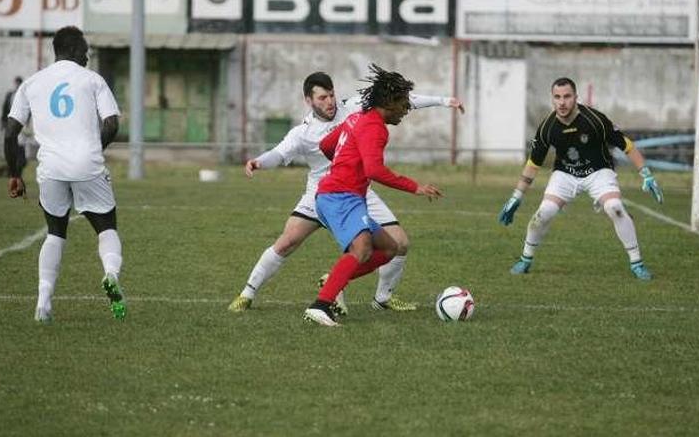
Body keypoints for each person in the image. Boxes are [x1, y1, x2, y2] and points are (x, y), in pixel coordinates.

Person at [228, 71, 463, 314]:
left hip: (359, 190)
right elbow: (279, 153)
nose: (329, 102)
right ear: (308, 101)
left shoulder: (353, 108)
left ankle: (382, 297)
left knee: (399, 243)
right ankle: (247, 293)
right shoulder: (302, 132)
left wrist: (444, 101)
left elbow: (400, 99)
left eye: (331, 95)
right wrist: (260, 162)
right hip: (322, 192)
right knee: (287, 242)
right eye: (321, 98)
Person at [304, 63, 443, 327]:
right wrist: (415, 186)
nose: (406, 110)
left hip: (340, 195)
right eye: (403, 104)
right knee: (362, 248)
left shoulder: (356, 118)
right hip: (340, 196)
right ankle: (320, 305)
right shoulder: (376, 128)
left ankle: (334, 280)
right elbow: (375, 170)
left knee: (390, 247)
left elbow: (326, 145)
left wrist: (344, 163)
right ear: (389, 103)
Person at [4, 26, 126, 324]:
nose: (88, 55)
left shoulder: (31, 84)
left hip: (51, 168)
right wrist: (94, 149)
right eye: (85, 50)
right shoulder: (93, 80)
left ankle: (43, 302)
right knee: (106, 228)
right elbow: (112, 123)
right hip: (88, 165)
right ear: (73, 50)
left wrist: (14, 174)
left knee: (55, 233)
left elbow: (10, 133)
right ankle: (110, 275)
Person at [498, 77, 663, 280]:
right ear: (552, 99)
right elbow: (533, 164)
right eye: (557, 97)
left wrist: (645, 174)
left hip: (598, 171)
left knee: (614, 207)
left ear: (576, 97)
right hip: (565, 174)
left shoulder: (595, 120)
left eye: (567, 96)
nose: (562, 102)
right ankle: (525, 259)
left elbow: (626, 145)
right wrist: (517, 196)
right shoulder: (547, 128)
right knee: (544, 212)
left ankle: (637, 263)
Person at [1, 76, 26, 173]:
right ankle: (13, 170)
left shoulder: (24, 95)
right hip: (10, 124)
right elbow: (4, 109)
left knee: (20, 148)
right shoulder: (10, 95)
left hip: (21, 125)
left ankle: (18, 168)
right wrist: (3, 122)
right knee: (11, 147)